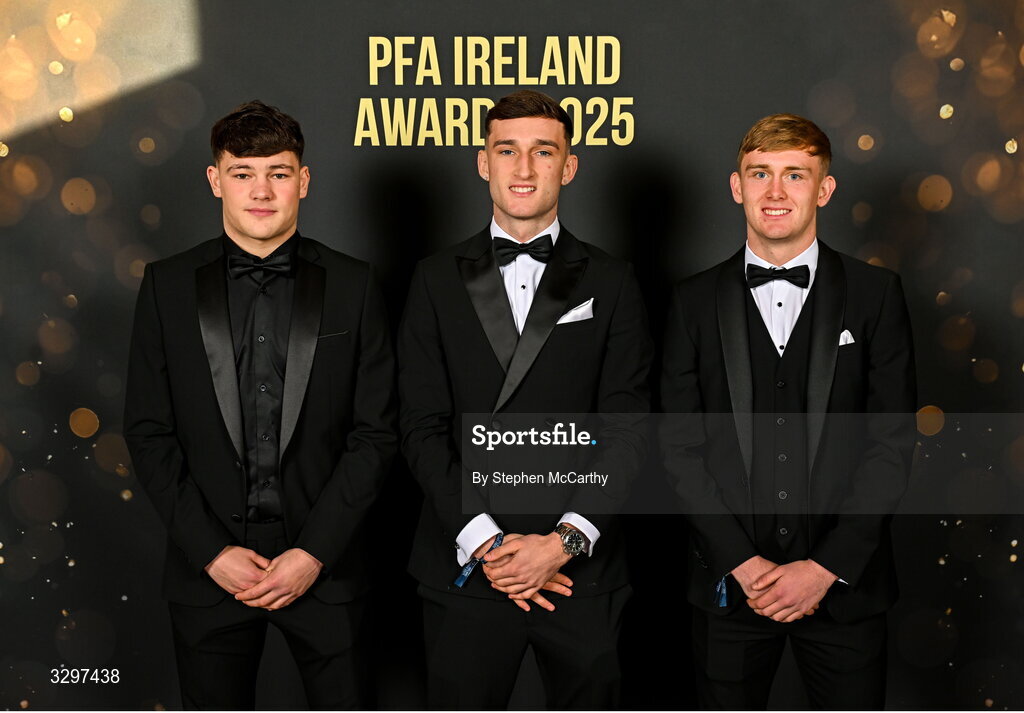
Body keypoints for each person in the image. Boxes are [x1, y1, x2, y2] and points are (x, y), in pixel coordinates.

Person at [124, 100, 396, 710]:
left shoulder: (355, 284)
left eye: (277, 171)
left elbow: (375, 434)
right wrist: (212, 553)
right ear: (215, 179)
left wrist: (313, 554)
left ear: (303, 180)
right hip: (209, 573)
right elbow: (147, 432)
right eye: (243, 173)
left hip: (327, 571)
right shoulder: (166, 285)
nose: (262, 189)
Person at [398, 89, 652, 709]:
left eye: (544, 152)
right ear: (483, 162)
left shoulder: (613, 281)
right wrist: (489, 543)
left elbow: (630, 428)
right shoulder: (433, 279)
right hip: (466, 567)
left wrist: (562, 542)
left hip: (579, 574)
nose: (524, 168)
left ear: (569, 166)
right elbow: (419, 427)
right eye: (506, 151)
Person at [660, 113, 916, 709]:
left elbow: (891, 445)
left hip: (846, 591)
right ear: (736, 186)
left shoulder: (877, 296)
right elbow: (677, 448)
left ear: (823, 189)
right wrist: (743, 565)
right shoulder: (690, 302)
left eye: (794, 175)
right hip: (728, 590)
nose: (775, 192)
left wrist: (825, 568)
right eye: (760, 174)